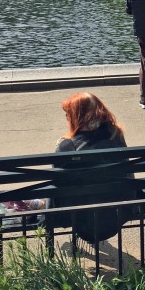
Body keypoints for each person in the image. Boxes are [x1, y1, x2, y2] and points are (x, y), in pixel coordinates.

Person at [53, 92, 132, 242]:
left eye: (68, 114)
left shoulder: (66, 146)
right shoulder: (116, 135)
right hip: (119, 211)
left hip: (82, 218)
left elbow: (58, 187)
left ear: (76, 116)